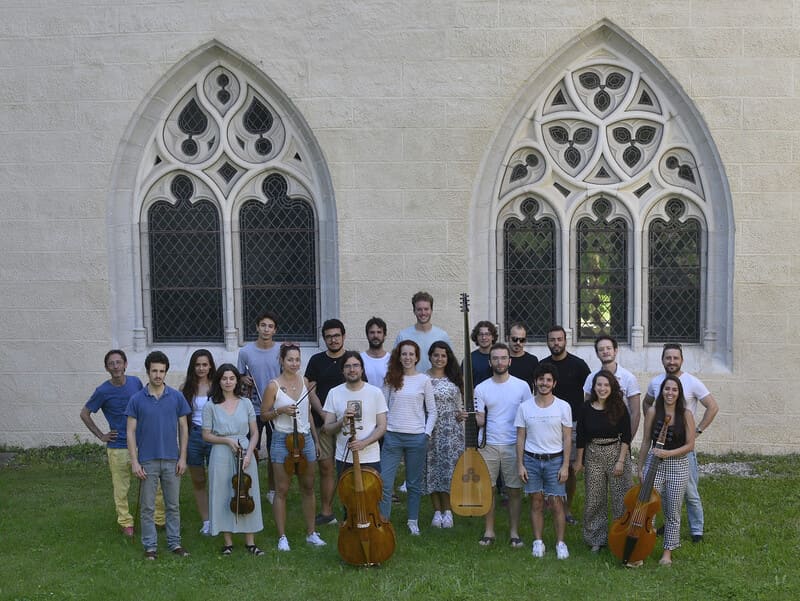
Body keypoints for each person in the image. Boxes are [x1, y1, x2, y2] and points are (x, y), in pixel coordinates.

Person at [80, 349, 165, 536]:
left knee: (154, 484)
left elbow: (146, 403)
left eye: (119, 362)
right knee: (121, 488)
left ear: (125, 364)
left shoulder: (135, 383)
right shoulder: (102, 391)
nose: (116, 366)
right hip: (118, 447)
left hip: (142, 445)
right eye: (111, 363)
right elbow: (84, 413)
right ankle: (126, 522)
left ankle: (159, 519)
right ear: (106, 367)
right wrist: (101, 435)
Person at [642, 343, 718, 542]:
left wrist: (698, 430)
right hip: (660, 448)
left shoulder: (692, 382)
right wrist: (654, 429)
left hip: (683, 450)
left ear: (682, 360)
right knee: (664, 493)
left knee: (690, 492)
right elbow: (647, 403)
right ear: (663, 359)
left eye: (676, 358)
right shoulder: (656, 382)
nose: (672, 361)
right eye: (668, 358)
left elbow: (712, 406)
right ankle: (667, 527)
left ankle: (696, 530)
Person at [125, 350, 191, 560]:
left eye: (162, 371)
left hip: (172, 459)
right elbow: (130, 431)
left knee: (173, 505)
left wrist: (183, 457)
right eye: (154, 370)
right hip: (147, 460)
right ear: (148, 371)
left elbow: (184, 428)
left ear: (166, 372)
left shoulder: (176, 397)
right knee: (147, 506)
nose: (158, 375)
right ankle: (150, 547)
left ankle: (174, 543)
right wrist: (134, 461)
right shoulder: (137, 399)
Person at [263, 343, 326, 551]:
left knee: (308, 487)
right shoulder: (273, 385)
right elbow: (264, 415)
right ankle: (282, 537)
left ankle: (311, 533)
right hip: (282, 439)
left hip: (305, 438)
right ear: (281, 360)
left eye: (297, 359)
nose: (294, 363)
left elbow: (307, 413)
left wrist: (316, 441)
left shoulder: (304, 381)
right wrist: (279, 410)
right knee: (282, 489)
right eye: (290, 359)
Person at [202, 364, 264, 555]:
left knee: (246, 491)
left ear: (237, 380)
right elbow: (206, 435)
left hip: (245, 452)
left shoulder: (245, 403)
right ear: (218, 381)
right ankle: (227, 541)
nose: (228, 382)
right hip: (221, 453)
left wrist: (249, 453)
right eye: (224, 378)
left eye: (232, 378)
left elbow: (254, 433)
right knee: (222, 492)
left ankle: (250, 541)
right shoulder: (210, 405)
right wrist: (227, 440)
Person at [473, 343, 530, 548]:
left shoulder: (522, 386)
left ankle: (514, 532)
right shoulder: (481, 388)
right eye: (495, 358)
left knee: (514, 490)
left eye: (503, 358)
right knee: (488, 490)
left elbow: (527, 416)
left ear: (509, 361)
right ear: (490, 362)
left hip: (514, 445)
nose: (499, 362)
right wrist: (468, 416)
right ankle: (489, 531)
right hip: (487, 444)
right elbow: (479, 419)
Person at [636, 375, 696, 566]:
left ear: (679, 393)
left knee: (672, 511)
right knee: (648, 509)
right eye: (667, 389)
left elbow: (690, 446)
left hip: (678, 465)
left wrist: (668, 454)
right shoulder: (653, 411)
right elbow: (646, 441)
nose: (670, 393)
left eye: (674, 390)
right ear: (661, 391)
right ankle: (644, 548)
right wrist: (640, 467)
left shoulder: (685, 414)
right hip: (654, 464)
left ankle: (667, 553)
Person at [379, 340, 437, 535]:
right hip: (393, 437)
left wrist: (425, 434)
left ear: (417, 357)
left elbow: (432, 411)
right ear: (399, 356)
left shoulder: (424, 380)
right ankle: (383, 521)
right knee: (385, 483)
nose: (407, 357)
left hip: (416, 438)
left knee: (413, 483)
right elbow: (382, 408)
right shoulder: (391, 379)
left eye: (411, 354)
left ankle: (413, 521)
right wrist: (386, 429)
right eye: (404, 354)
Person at [515, 363, 572, 560]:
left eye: (548, 380)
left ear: (554, 383)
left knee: (556, 503)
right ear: (535, 382)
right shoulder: (525, 407)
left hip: (555, 461)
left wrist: (565, 465)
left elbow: (567, 438)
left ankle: (560, 543)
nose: (544, 383)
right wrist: (520, 464)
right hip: (531, 460)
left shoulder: (563, 406)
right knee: (536, 502)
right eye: (541, 380)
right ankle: (538, 542)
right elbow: (521, 437)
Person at [573, 370, 632, 552]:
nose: (602, 388)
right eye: (599, 384)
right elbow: (581, 436)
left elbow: (627, 437)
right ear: (594, 386)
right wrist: (579, 462)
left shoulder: (619, 407)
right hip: (593, 453)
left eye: (606, 385)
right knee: (595, 498)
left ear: (612, 387)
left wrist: (621, 461)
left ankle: (620, 536)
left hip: (616, 452)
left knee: (620, 498)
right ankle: (596, 539)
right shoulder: (585, 408)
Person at [539, 325, 590, 525]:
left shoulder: (579, 365)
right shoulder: (542, 365)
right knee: (546, 465)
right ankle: (546, 504)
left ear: (565, 341)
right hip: (546, 424)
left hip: (573, 423)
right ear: (548, 342)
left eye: (559, 339)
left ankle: (566, 509)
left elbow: (589, 394)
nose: (556, 343)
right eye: (552, 340)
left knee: (568, 468)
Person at [305, 318, 347, 526]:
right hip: (323, 422)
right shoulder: (316, 360)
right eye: (329, 336)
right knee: (326, 467)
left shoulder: (351, 359)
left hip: (348, 424)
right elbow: (310, 389)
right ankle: (327, 512)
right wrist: (323, 414)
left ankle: (350, 509)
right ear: (324, 339)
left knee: (348, 467)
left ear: (343, 336)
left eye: (336, 335)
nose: (333, 340)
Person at [237, 311, 281, 504]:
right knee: (249, 450)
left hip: (273, 409)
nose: (266, 329)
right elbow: (238, 375)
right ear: (257, 327)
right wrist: (242, 378)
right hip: (252, 408)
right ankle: (249, 487)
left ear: (275, 330)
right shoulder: (245, 352)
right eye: (263, 325)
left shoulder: (280, 351)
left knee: (274, 451)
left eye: (270, 326)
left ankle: (272, 490)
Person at [322, 351, 388, 478]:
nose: (352, 369)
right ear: (342, 370)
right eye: (347, 366)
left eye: (356, 365)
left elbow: (382, 426)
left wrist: (364, 443)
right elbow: (327, 429)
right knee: (347, 496)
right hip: (344, 457)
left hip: (370, 457)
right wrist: (342, 421)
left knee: (371, 497)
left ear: (362, 369)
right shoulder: (334, 393)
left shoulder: (375, 392)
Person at [425, 340, 464, 529]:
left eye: (443, 355)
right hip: (430, 430)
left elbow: (459, 405)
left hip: (451, 431)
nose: (439, 359)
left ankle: (448, 511)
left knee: (448, 470)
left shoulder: (454, 378)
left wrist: (460, 414)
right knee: (431, 469)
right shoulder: (422, 379)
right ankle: (436, 511)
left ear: (448, 358)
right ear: (430, 357)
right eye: (436, 355)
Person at [181, 349, 215, 535]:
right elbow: (182, 420)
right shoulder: (185, 388)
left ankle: (218, 517)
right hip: (194, 436)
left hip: (214, 436)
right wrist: (182, 447)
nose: (201, 368)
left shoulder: (217, 386)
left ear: (210, 366)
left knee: (216, 479)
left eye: (204, 364)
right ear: (192, 367)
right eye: (197, 365)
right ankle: (206, 520)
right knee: (199, 480)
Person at [582, 335, 641, 438]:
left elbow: (635, 413)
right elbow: (586, 408)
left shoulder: (629, 378)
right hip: (595, 436)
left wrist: (628, 440)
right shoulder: (591, 378)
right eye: (601, 349)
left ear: (615, 350)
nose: (605, 351)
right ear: (597, 354)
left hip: (620, 434)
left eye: (608, 348)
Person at [394, 291, 452, 373]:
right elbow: (395, 363)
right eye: (419, 309)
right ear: (414, 311)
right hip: (411, 383)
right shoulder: (403, 335)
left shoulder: (442, 336)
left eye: (426, 309)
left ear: (431, 310)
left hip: (435, 383)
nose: (423, 313)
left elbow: (450, 363)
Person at [506, 322, 538, 391]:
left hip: (526, 401)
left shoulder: (532, 360)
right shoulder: (501, 360)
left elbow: (537, 387)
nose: (518, 343)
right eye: (514, 339)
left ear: (525, 341)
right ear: (508, 338)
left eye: (522, 340)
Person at [361, 316, 391, 387]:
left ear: (384, 335)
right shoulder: (360, 359)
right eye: (372, 332)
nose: (375, 335)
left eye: (379, 332)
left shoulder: (391, 359)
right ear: (367, 335)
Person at [467, 320, 497, 386]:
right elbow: (464, 384)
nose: (484, 337)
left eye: (487, 334)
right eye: (480, 334)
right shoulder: (469, 359)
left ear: (493, 337)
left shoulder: (500, 357)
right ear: (476, 337)